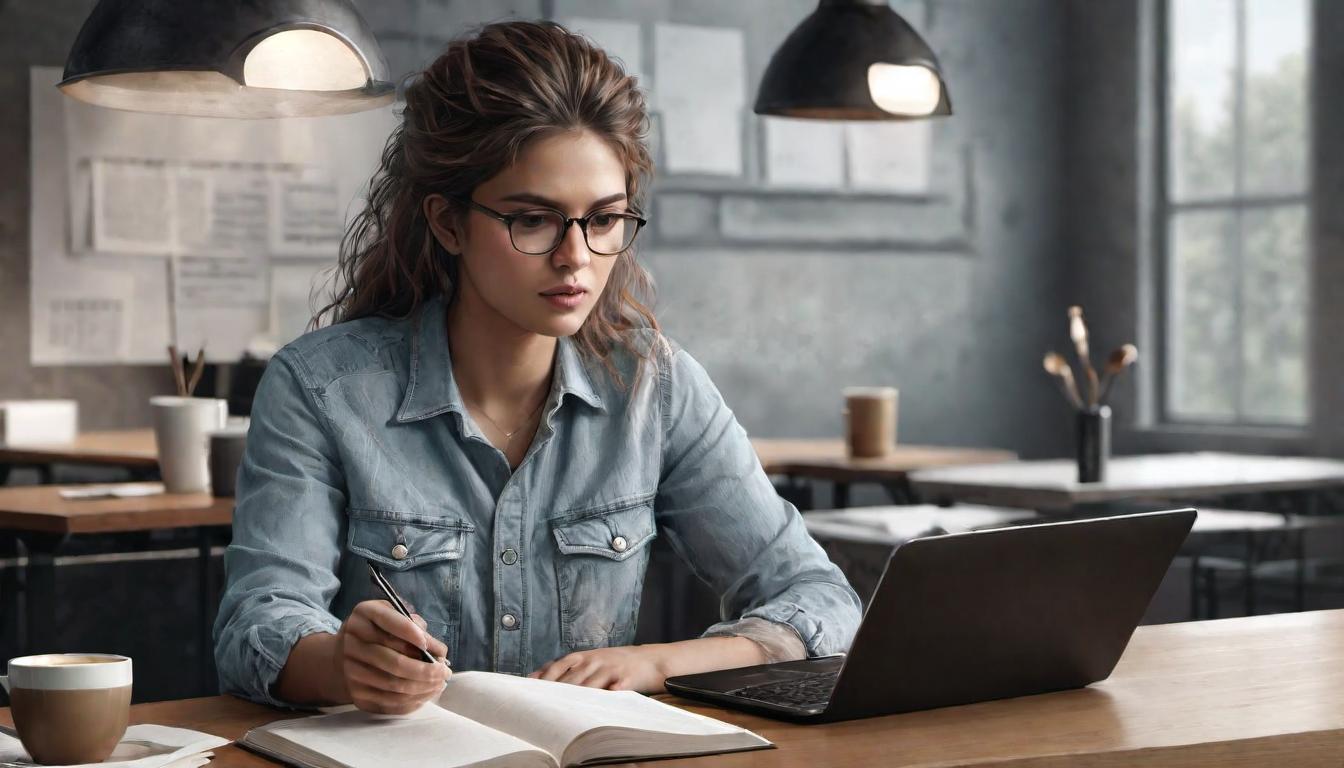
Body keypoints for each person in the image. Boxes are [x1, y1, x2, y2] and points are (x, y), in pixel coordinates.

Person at [213, 19, 861, 715]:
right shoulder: (321, 389)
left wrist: (659, 663)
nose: (576, 258)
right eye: (533, 220)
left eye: (605, 219)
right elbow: (259, 624)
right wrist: (344, 665)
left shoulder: (654, 389)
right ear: (448, 223)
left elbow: (821, 600)